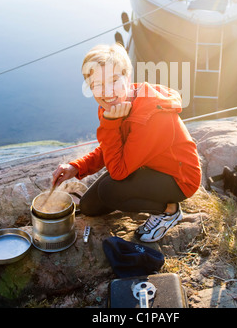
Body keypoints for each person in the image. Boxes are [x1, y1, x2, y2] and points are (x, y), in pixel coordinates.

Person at [52, 43, 201, 242]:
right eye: (97, 84)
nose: (107, 92)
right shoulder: (112, 105)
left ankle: (168, 211)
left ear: (127, 78)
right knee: (89, 207)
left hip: (178, 178)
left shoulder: (150, 116)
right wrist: (76, 167)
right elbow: (111, 144)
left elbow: (119, 171)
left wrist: (110, 123)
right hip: (144, 163)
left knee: (109, 190)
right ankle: (142, 195)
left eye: (114, 80)